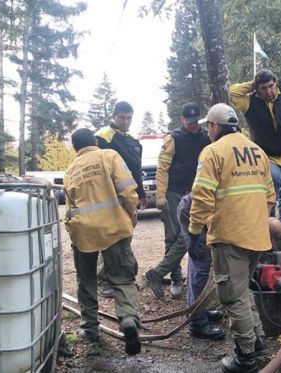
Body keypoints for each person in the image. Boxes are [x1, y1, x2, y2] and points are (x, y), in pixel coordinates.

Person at [188, 103, 276, 372]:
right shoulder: (258, 152)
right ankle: (258, 340)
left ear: (215, 127)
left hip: (230, 236)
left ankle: (246, 357)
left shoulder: (213, 151)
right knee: (243, 290)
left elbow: (201, 195)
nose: (208, 133)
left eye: (209, 128)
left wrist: (193, 232)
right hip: (256, 235)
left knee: (231, 296)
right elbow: (270, 197)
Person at [64, 128, 141, 356]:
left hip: (84, 233)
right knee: (122, 278)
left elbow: (69, 208)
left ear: (76, 148)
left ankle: (89, 329)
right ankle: (128, 321)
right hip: (114, 228)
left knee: (86, 280)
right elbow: (127, 190)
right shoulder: (109, 156)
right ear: (95, 141)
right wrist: (131, 213)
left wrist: (72, 232)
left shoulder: (70, 170)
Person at [230, 69, 281, 231]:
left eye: (271, 86)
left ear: (276, 83)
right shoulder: (248, 103)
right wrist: (253, 84)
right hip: (267, 156)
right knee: (273, 184)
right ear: (257, 89)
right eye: (263, 88)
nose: (269, 91)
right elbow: (233, 92)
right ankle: (269, 225)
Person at [146, 103, 211, 299]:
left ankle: (158, 272)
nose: (193, 125)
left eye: (195, 122)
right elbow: (162, 169)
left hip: (196, 192)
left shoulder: (207, 136)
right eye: (189, 122)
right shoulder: (173, 139)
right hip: (174, 192)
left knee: (188, 236)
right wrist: (160, 195)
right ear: (182, 119)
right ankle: (175, 277)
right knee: (173, 237)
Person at [95, 101, 145, 298]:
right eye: (122, 117)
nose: (126, 121)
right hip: (109, 196)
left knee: (126, 235)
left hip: (129, 195)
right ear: (113, 116)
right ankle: (103, 279)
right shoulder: (102, 138)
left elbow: (136, 169)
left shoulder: (134, 139)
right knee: (108, 237)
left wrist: (140, 193)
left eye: (129, 117)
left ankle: (123, 277)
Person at [177, 192, 225, 341]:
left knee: (199, 264)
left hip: (203, 213)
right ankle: (197, 323)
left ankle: (197, 311)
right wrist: (194, 240)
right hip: (196, 213)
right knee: (200, 264)